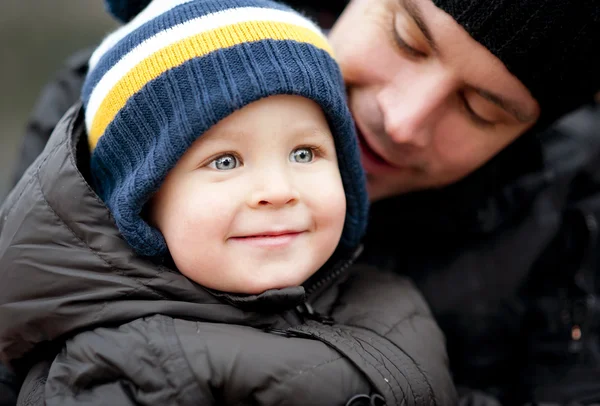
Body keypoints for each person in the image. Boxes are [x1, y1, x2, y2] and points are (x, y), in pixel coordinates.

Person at [5, 0, 600, 404]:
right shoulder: (116, 106)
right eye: (406, 39)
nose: (401, 119)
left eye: (481, 110)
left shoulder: (567, 207)